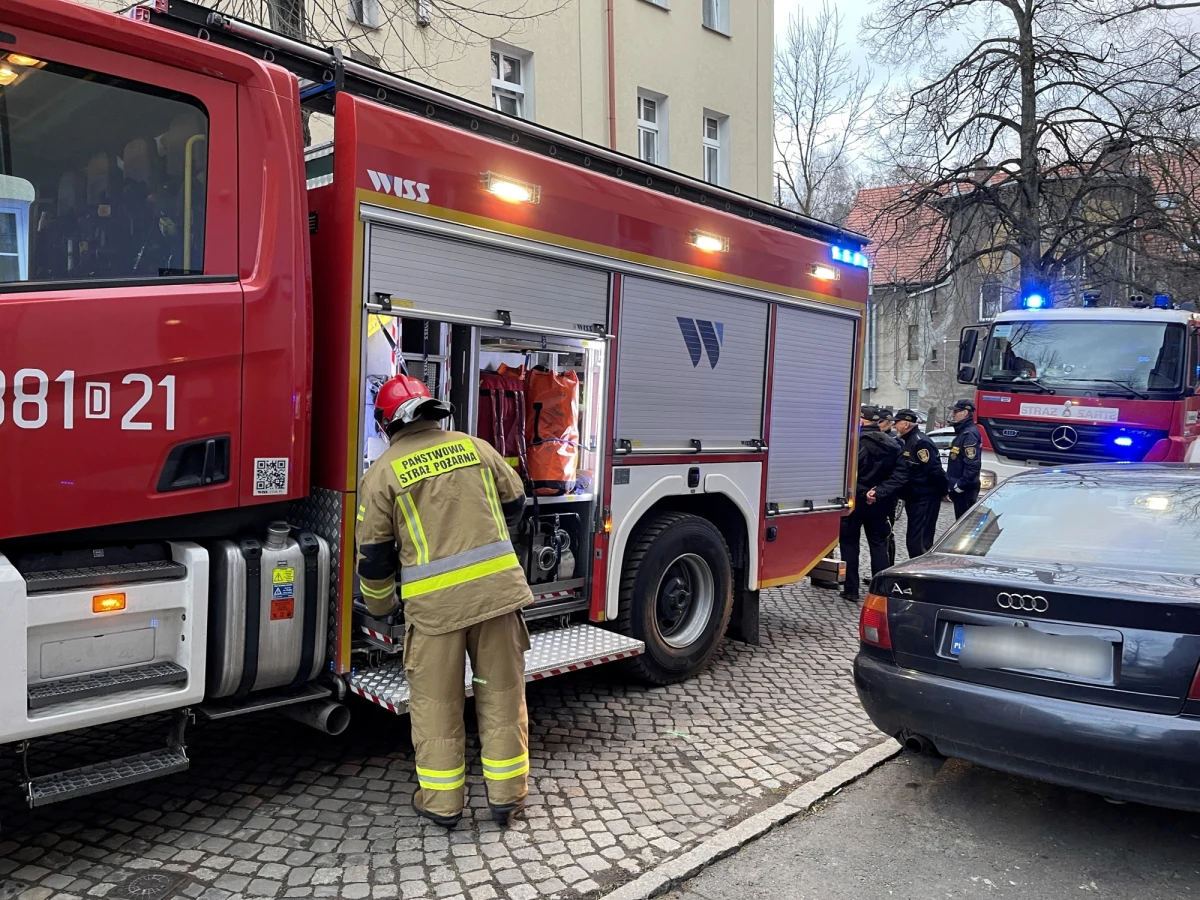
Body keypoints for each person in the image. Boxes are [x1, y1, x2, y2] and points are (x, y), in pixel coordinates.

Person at [356, 374, 534, 829]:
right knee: (503, 697)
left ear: (386, 424)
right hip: (498, 598)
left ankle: (442, 804)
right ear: (434, 412)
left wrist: (380, 610)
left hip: (436, 615)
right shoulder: (476, 447)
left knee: (438, 708)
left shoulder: (381, 475)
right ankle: (507, 797)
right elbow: (515, 503)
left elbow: (374, 561)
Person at [839, 406, 907, 602]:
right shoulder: (895, 444)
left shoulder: (852, 444)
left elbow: (847, 475)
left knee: (849, 545)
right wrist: (879, 491)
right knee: (879, 545)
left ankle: (850, 589)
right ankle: (880, 591)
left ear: (861, 420)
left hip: (854, 502)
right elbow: (901, 475)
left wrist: (864, 492)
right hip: (881, 502)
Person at [893, 409, 949, 557]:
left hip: (925, 498)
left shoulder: (920, 442)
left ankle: (920, 574)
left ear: (905, 424)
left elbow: (934, 471)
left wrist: (943, 491)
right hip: (914, 497)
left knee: (919, 542)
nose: (894, 426)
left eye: (896, 423)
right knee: (913, 540)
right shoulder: (908, 441)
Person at [947, 398, 983, 519]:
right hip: (961, 489)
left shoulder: (969, 434)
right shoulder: (963, 432)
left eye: (956, 411)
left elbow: (973, 464)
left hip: (965, 490)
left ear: (965, 413)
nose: (953, 414)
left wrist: (960, 485)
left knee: (964, 524)